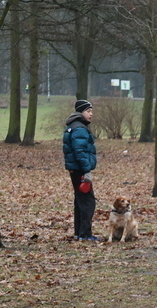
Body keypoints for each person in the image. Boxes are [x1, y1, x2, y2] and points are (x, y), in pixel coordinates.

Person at [63, 99, 98, 241]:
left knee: (79, 201)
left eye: (91, 111)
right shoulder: (80, 129)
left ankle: (79, 233)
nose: (91, 114)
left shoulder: (73, 126)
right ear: (80, 112)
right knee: (88, 202)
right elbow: (80, 151)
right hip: (80, 170)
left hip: (74, 169)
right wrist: (87, 170)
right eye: (88, 111)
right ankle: (85, 234)